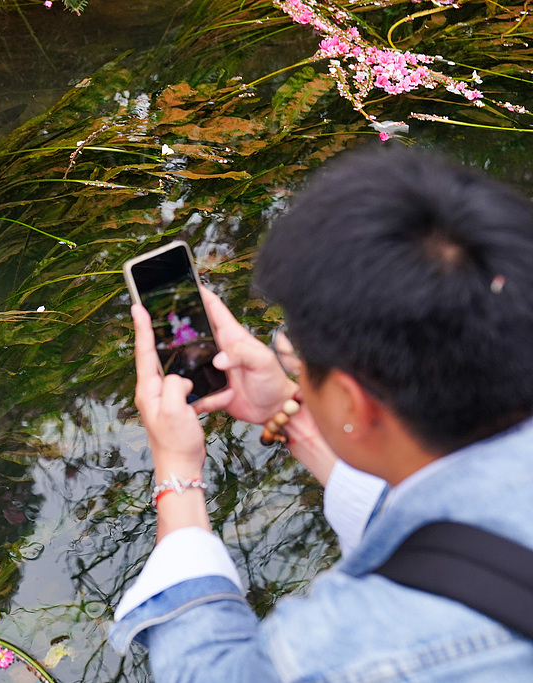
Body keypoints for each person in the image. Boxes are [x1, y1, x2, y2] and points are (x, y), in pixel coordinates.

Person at [110, 147, 533, 681]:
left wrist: (178, 474)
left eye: (295, 355)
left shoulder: (350, 647)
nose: (293, 370)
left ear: (353, 403)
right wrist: (294, 413)